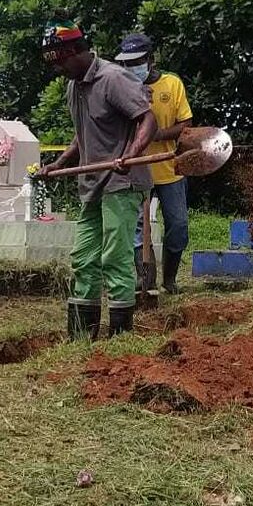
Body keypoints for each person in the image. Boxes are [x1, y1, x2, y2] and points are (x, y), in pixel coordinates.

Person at [35, 18, 156, 340]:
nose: (58, 69)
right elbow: (81, 135)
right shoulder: (74, 86)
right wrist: (57, 163)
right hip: (92, 183)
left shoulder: (113, 78)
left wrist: (130, 154)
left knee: (115, 257)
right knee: (84, 257)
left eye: (61, 61)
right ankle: (80, 337)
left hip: (122, 182)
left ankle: (120, 337)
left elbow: (147, 118)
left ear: (77, 51)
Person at [114, 33, 192, 294]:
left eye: (137, 61)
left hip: (169, 168)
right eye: (127, 63)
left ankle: (169, 280)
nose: (131, 67)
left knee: (178, 225)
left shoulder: (172, 84)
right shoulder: (121, 85)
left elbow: (185, 125)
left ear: (150, 59)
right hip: (137, 170)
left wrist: (156, 134)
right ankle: (144, 279)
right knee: (138, 228)